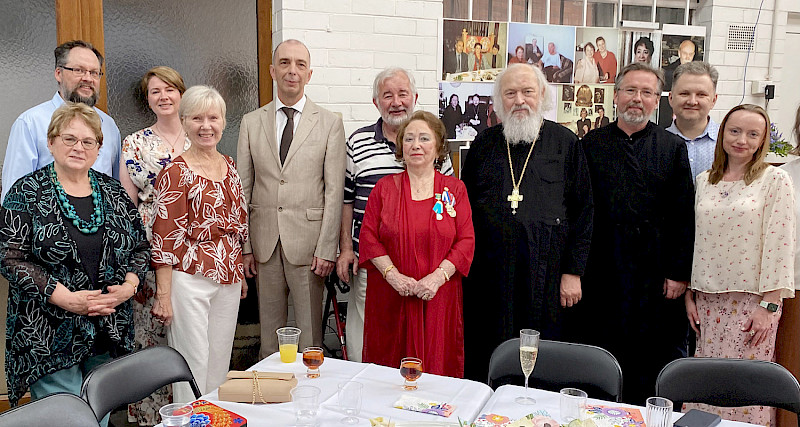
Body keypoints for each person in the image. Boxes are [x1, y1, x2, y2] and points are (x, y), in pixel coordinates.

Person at [0, 103, 149, 426]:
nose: (78, 148)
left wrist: (129, 287)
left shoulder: (111, 191)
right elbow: (10, 257)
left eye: (87, 141)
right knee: (68, 420)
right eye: (69, 139)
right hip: (50, 333)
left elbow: (139, 246)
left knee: (98, 414)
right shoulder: (26, 193)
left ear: (98, 149)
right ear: (51, 142)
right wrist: (64, 297)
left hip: (107, 330)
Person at [461, 63, 593, 382]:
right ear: (499, 101)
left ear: (542, 96)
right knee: (491, 349)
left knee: (543, 355)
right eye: (510, 93)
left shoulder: (566, 143)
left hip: (546, 274)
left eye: (527, 92)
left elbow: (584, 211)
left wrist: (573, 272)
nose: (519, 100)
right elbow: (465, 212)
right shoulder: (483, 145)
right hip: (491, 276)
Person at [577, 63, 694, 404]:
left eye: (647, 93)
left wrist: (677, 272)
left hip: (654, 276)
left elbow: (683, 215)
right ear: (616, 96)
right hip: (603, 268)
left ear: (658, 101)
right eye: (630, 90)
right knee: (601, 353)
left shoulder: (671, 148)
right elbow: (581, 210)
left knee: (649, 361)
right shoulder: (591, 144)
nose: (637, 99)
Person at [686, 104, 795, 426]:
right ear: (722, 134)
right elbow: (697, 239)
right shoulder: (706, 180)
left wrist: (770, 306)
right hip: (708, 300)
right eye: (734, 131)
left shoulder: (774, 179)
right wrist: (691, 295)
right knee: (706, 383)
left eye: (752, 134)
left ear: (763, 140)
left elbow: (781, 244)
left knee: (745, 386)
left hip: (752, 303)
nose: (742, 140)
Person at [238, 39, 346, 358]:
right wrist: (245, 247)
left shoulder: (329, 123)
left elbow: (334, 191)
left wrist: (328, 247)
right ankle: (273, 395)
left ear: (309, 74)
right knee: (270, 336)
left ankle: (312, 395)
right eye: (285, 63)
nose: (292, 71)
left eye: (300, 64)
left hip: (310, 246)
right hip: (265, 243)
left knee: (310, 335)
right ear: (273, 71)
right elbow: (243, 188)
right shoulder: (251, 122)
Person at [337, 68, 454, 362]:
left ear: (414, 98)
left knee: (422, 346)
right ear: (376, 102)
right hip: (375, 265)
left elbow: (452, 212)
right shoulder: (358, 142)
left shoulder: (437, 150)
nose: (396, 102)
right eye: (387, 95)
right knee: (370, 336)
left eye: (402, 94)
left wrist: (440, 273)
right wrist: (346, 249)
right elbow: (346, 200)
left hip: (429, 267)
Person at [358, 110, 475, 377]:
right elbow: (368, 237)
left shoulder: (455, 190)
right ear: (401, 148)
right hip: (390, 296)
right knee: (387, 372)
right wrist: (394, 277)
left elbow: (466, 240)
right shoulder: (384, 189)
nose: (416, 145)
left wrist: (436, 278)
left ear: (438, 147)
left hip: (438, 298)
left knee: (437, 369)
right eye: (409, 139)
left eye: (424, 138)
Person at [151, 85, 248, 403]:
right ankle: (188, 422)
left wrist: (239, 271)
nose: (206, 126)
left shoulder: (230, 165)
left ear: (223, 121)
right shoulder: (175, 171)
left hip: (228, 278)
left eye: (213, 117)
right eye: (197, 118)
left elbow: (236, 226)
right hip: (189, 278)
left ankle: (212, 420)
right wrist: (163, 296)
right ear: (184, 122)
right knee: (191, 366)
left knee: (219, 365)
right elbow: (164, 238)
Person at [120, 66, 190, 425]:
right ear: (147, 99)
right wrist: (133, 256)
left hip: (193, 246)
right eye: (155, 92)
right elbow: (126, 206)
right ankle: (151, 417)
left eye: (169, 90)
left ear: (181, 93)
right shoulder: (134, 143)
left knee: (188, 330)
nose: (163, 97)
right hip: (150, 243)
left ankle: (191, 411)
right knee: (149, 332)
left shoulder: (200, 134)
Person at [2, 40, 121, 202]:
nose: (88, 78)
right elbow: (13, 196)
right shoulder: (31, 123)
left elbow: (115, 189)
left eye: (94, 72)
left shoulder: (108, 125)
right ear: (58, 73)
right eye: (79, 70)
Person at [666, 62, 719, 183]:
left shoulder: (728, 143)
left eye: (701, 94)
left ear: (713, 100)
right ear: (671, 98)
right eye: (684, 93)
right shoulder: (656, 144)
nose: (692, 101)